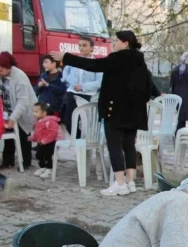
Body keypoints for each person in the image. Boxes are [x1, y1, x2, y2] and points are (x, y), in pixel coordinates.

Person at [51, 31, 153, 196]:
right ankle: (130, 181)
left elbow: (94, 65)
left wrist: (67, 57)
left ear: (125, 43)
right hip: (134, 112)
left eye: (116, 40)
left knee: (114, 145)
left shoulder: (117, 58)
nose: (113, 43)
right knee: (129, 146)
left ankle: (119, 182)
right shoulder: (140, 62)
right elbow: (148, 87)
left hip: (116, 110)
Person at [0, 52, 36, 170]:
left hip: (24, 111)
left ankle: (26, 162)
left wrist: (13, 117)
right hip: (8, 110)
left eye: (1, 68)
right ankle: (7, 161)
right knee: (8, 136)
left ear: (8, 66)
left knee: (23, 135)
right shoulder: (2, 75)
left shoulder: (19, 77)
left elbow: (23, 102)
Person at [61, 36, 102, 131]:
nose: (81, 48)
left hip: (88, 95)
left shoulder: (97, 63)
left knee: (87, 124)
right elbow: (66, 71)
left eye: (84, 45)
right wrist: (68, 81)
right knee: (69, 122)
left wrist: (83, 87)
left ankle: (84, 142)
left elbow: (100, 82)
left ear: (92, 48)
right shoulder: (74, 60)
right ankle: (78, 141)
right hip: (72, 93)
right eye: (79, 45)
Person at [28, 102, 61, 179]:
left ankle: (49, 169)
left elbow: (53, 133)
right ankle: (42, 168)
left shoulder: (50, 121)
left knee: (47, 156)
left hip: (49, 143)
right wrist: (33, 138)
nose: (34, 113)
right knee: (39, 155)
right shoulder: (38, 121)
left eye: (36, 112)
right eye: (33, 111)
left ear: (44, 113)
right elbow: (37, 132)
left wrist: (45, 140)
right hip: (41, 143)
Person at [170, 52, 188, 133]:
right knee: (182, 117)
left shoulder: (175, 69)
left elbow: (172, 84)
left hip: (177, 94)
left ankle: (179, 133)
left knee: (180, 116)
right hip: (187, 95)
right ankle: (178, 133)